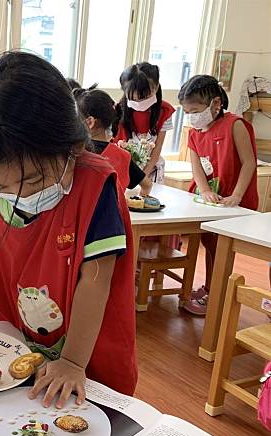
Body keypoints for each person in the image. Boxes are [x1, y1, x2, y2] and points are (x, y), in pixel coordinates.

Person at [0, 52, 138, 403]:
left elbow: (96, 281)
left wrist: (72, 361)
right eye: (1, 187)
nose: (22, 194)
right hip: (30, 357)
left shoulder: (95, 189)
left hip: (90, 365)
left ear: (72, 144)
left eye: (33, 179)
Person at [178, 74, 258, 315]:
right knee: (209, 244)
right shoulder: (194, 133)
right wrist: (203, 190)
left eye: (195, 110)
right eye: (187, 111)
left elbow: (248, 163)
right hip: (211, 202)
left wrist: (236, 195)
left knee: (223, 248)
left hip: (234, 202)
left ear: (215, 104)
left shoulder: (235, 125)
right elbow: (197, 168)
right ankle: (211, 287)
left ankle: (218, 295)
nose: (192, 116)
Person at [73, 85, 152, 195]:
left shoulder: (75, 153)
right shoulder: (123, 156)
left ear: (90, 122)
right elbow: (147, 185)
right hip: (115, 212)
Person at [114, 62, 176, 183]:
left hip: (150, 171)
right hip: (123, 169)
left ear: (156, 87)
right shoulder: (118, 111)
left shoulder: (164, 112)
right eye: (133, 99)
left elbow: (157, 148)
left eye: (144, 98)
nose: (138, 103)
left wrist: (142, 177)